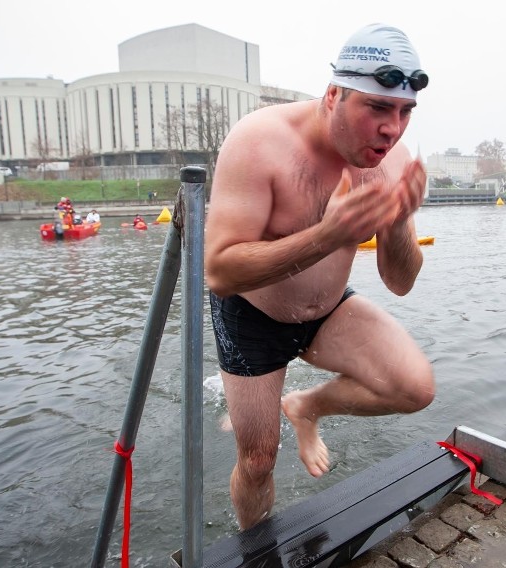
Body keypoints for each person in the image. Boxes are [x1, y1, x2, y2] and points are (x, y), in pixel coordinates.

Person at [204, 23, 435, 530]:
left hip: (326, 308)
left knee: (415, 389)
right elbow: (219, 272)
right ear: (333, 95)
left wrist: (397, 221)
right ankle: (255, 548)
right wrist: (327, 237)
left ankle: (306, 407)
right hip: (252, 315)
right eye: (377, 108)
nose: (392, 130)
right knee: (259, 459)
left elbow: (401, 281)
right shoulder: (259, 142)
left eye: (404, 112)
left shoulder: (390, 161)